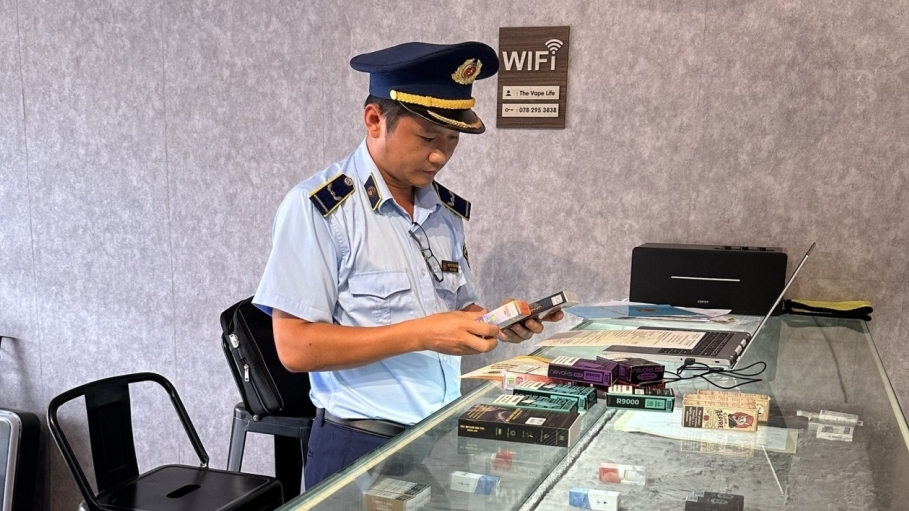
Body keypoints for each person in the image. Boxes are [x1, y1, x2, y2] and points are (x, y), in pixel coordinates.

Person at [252, 40, 564, 489]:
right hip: (360, 446)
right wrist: (423, 333)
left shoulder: (445, 213)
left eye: (452, 140)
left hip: (438, 436)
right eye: (427, 138)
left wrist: (496, 323)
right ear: (374, 120)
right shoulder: (320, 209)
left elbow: (456, 310)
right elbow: (295, 347)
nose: (440, 155)